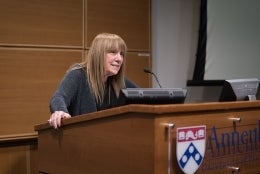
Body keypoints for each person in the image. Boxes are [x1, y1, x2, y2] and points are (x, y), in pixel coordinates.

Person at [48, 33, 137, 129]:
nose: (119, 59)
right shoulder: (78, 75)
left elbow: (144, 97)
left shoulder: (119, 81)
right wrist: (60, 111)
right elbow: (58, 97)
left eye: (121, 54)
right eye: (113, 52)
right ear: (98, 54)